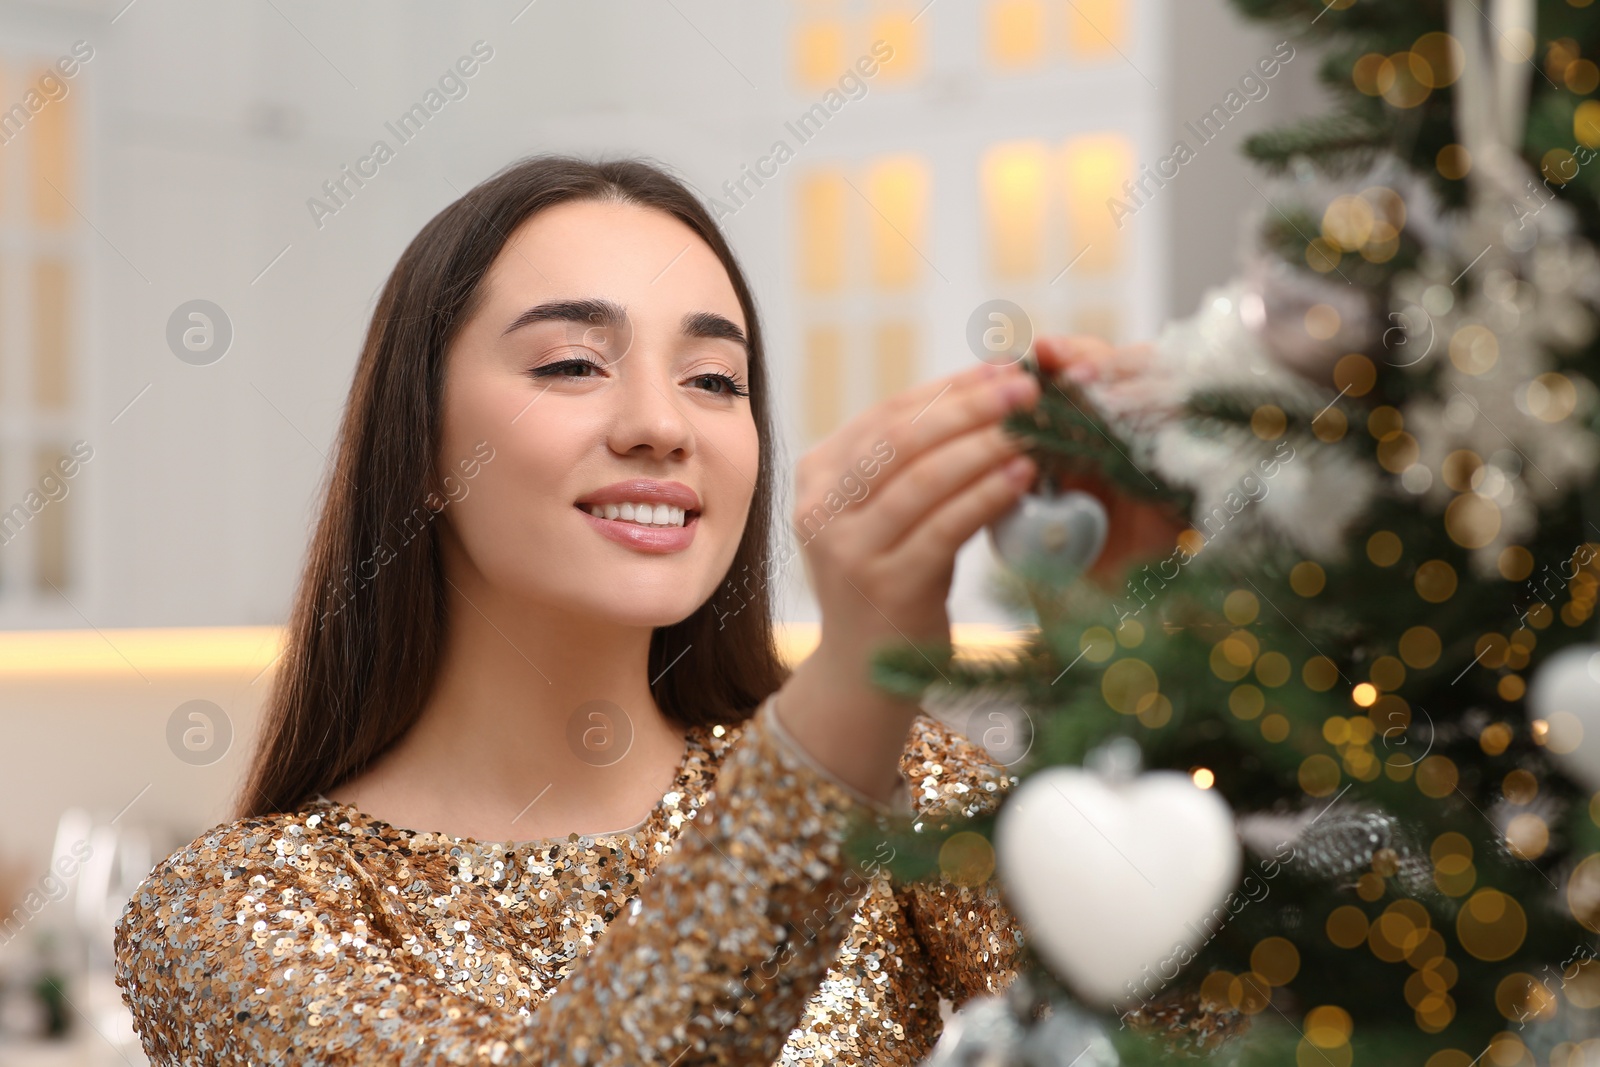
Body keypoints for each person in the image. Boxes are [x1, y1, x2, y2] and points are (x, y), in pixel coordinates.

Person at [110, 154, 1159, 1066]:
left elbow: (1200, 1036)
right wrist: (855, 678)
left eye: (714, 379)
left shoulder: (902, 783)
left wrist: (1158, 622)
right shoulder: (232, 914)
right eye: (571, 363)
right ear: (419, 444)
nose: (662, 422)